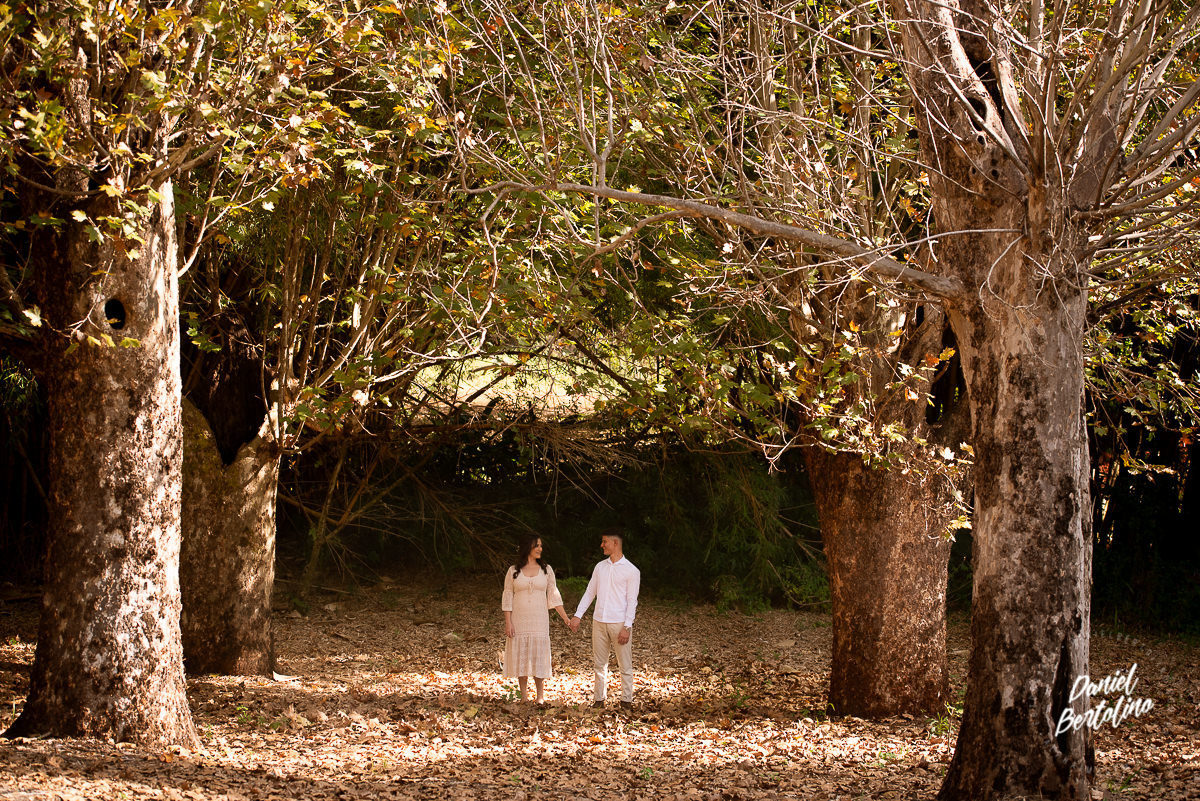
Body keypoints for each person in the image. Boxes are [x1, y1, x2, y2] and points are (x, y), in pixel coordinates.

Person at [569, 528, 641, 710]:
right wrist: (578, 615)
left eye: (604, 542)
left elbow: (632, 601)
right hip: (599, 621)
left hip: (619, 623)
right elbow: (590, 592)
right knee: (599, 664)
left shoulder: (632, 571)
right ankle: (599, 700)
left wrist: (627, 626)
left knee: (625, 664)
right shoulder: (600, 567)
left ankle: (626, 701)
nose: (601, 545)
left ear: (615, 543)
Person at [501, 535, 571, 704]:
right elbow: (508, 597)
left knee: (538, 655)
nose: (540, 548)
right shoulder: (513, 570)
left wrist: (567, 619)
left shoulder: (547, 570)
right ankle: (524, 696)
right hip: (519, 620)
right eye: (536, 546)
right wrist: (508, 622)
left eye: (541, 545)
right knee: (521, 656)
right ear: (527, 547)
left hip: (539, 619)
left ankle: (540, 696)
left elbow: (554, 596)